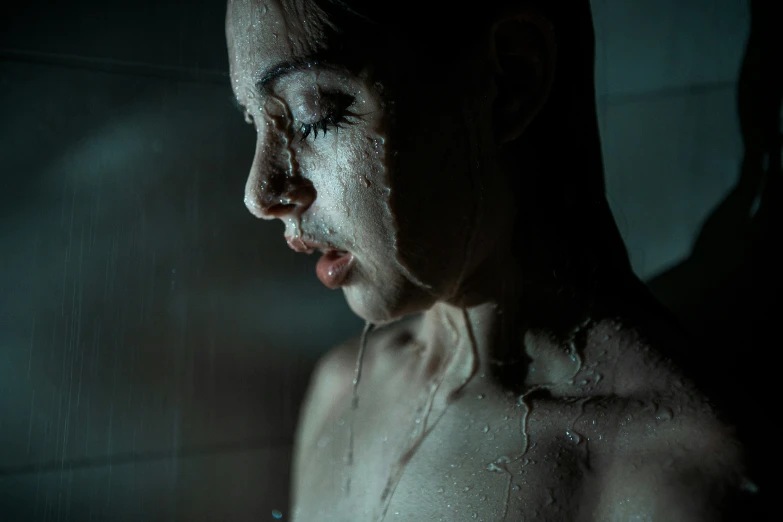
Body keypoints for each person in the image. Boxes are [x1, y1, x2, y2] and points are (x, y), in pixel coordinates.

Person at [225, 0, 750, 520]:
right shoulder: (339, 393)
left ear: (510, 81)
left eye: (315, 110)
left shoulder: (672, 477)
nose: (258, 193)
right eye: (254, 118)